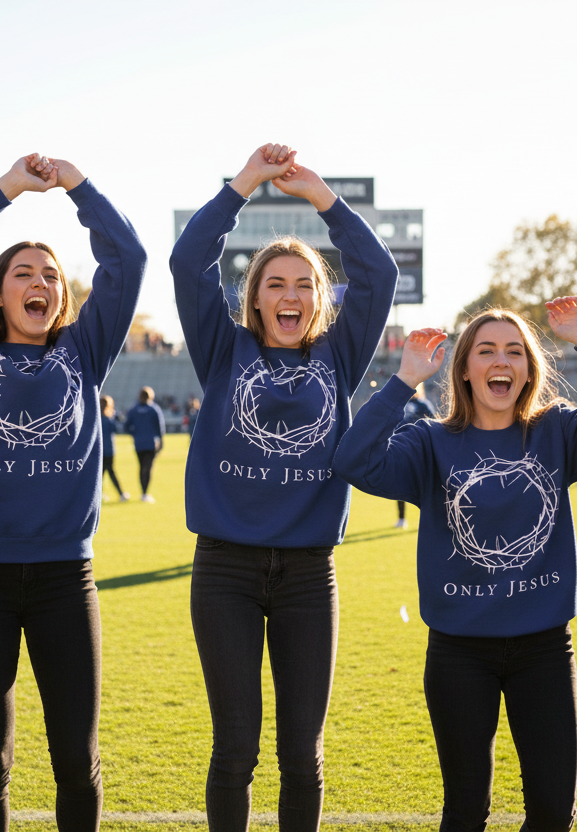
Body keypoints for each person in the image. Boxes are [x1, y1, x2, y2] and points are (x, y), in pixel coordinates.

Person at [334, 302, 577, 832]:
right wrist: (404, 381)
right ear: (464, 369)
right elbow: (353, 460)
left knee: (553, 812)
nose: (500, 361)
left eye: (514, 352)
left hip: (545, 650)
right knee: (466, 812)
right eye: (486, 351)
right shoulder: (430, 441)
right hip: (459, 653)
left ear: (528, 370)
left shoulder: (557, 431)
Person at [0, 153, 146, 831]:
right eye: (23, 273)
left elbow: (126, 258)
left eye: (50, 276)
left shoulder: (84, 351)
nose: (39, 282)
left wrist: (78, 187)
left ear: (62, 298)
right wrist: (9, 188)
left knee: (76, 758)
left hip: (64, 580)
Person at [169, 143, 399, 831]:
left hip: (307, 574)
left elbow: (379, 272)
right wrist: (244, 183)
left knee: (302, 754)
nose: (290, 295)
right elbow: (188, 262)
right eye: (275, 284)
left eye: (304, 284)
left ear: (321, 299)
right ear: (255, 297)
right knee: (235, 748)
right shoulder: (223, 349)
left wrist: (323, 197)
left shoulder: (340, 354)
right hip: (225, 570)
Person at [394, 381, 435, 528]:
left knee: (425, 487)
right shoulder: (400, 404)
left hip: (420, 451)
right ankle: (401, 519)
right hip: (402, 450)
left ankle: (429, 518)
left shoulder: (424, 405)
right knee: (400, 485)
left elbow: (435, 424)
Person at [125, 386, 164, 503]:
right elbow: (160, 427)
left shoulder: (134, 409)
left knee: (142, 467)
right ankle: (145, 493)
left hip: (139, 443)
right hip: (151, 443)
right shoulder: (154, 409)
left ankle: (143, 492)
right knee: (147, 468)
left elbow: (126, 426)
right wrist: (161, 441)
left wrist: (135, 433)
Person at [100, 394, 129, 502]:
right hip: (109, 450)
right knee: (110, 472)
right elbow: (118, 429)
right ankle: (121, 494)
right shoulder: (109, 419)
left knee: (100, 474)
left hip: (98, 451)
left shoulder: (95, 418)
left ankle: (99, 494)